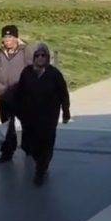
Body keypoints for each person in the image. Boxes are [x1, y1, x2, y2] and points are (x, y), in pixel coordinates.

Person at [14, 43, 71, 185]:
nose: (40, 58)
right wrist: (17, 110)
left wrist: (66, 111)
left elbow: (63, 94)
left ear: (47, 57)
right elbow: (19, 93)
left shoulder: (54, 74)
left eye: (43, 55)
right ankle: (39, 161)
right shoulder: (27, 72)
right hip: (30, 116)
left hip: (49, 117)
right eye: (37, 55)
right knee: (30, 145)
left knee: (46, 144)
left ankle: (41, 170)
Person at [0, 25, 31, 164]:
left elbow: (32, 70)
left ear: (16, 38)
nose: (7, 40)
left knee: (27, 124)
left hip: (21, 95)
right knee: (6, 126)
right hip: (4, 95)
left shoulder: (25, 51)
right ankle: (7, 152)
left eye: (10, 37)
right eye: (5, 37)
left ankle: (29, 149)